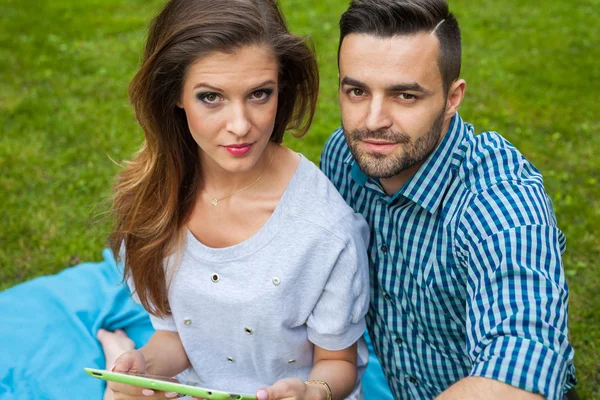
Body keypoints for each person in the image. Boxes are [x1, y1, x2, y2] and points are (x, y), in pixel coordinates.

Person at [106, 0, 372, 399]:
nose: (240, 126)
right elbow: (180, 336)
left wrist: (312, 393)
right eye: (211, 97)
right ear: (175, 93)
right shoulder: (154, 201)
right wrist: (144, 366)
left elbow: (337, 363)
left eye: (259, 94)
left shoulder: (327, 231)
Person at [319, 0, 577, 399]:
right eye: (356, 91)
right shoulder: (343, 155)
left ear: (453, 98)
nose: (372, 121)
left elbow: (521, 365)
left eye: (404, 96)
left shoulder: (498, 201)